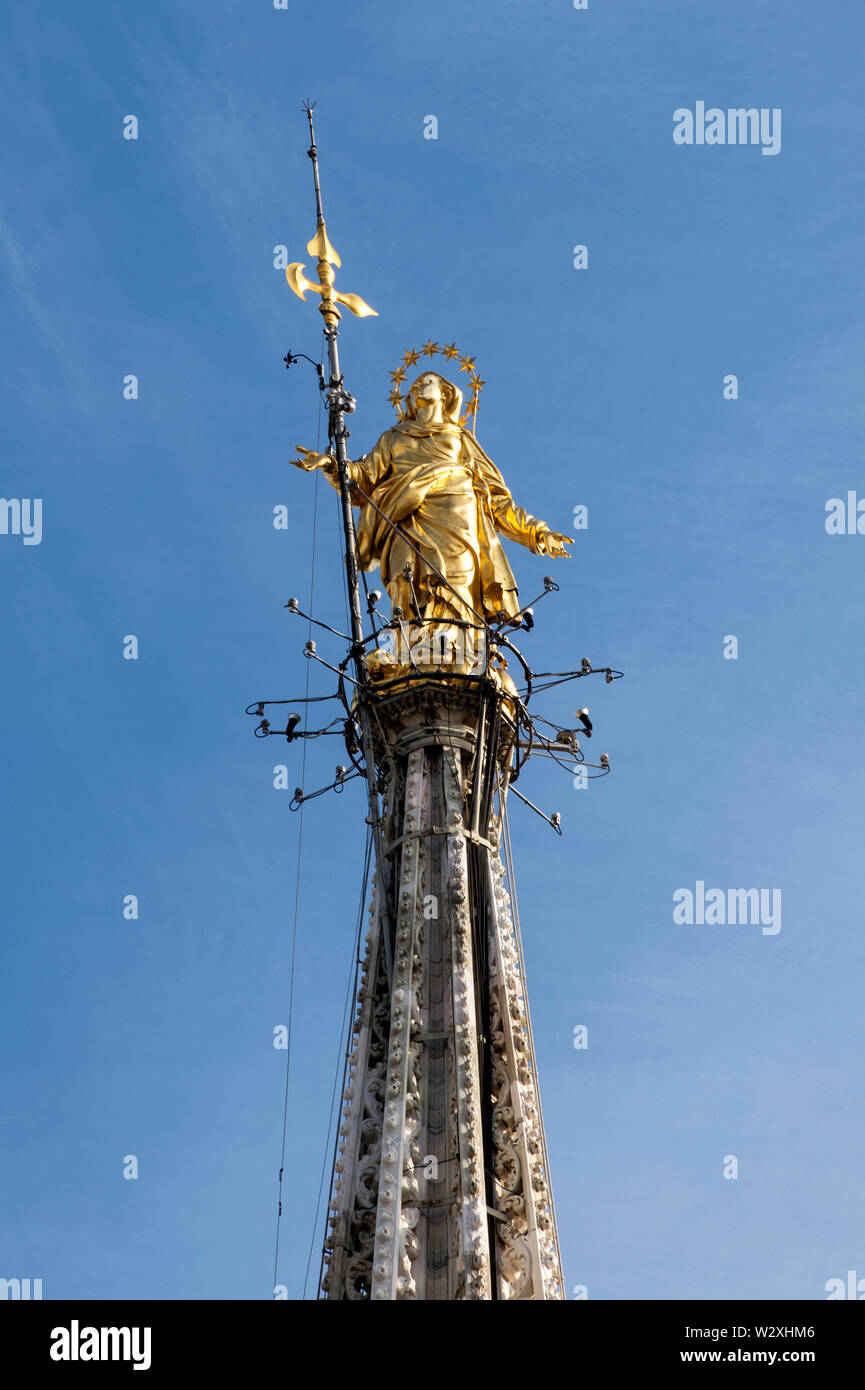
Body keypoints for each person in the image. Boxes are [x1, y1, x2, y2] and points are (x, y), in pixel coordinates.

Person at [291, 370, 573, 628]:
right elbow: (363, 478)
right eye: (414, 385)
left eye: (427, 382)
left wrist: (537, 532)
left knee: (457, 584)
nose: (417, 386)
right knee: (408, 582)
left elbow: (497, 499)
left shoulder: (459, 437)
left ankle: (459, 650)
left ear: (446, 393)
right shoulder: (393, 437)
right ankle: (409, 650)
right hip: (404, 515)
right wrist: (331, 464)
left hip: (457, 520)